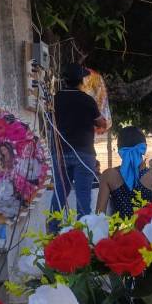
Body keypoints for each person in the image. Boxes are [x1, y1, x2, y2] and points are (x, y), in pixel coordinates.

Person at [50, 64, 107, 228]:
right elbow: (101, 122)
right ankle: (83, 237)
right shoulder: (87, 100)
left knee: (60, 193)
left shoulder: (55, 99)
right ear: (81, 81)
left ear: (64, 81)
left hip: (60, 152)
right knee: (83, 197)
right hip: (84, 154)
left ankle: (52, 234)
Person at [96, 126, 152, 217]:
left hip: (119, 230)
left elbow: (98, 215)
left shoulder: (108, 175)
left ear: (119, 149)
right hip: (147, 230)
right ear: (144, 147)